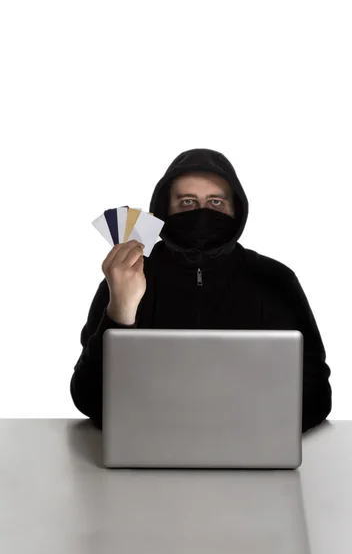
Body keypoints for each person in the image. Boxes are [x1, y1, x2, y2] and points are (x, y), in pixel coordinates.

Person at [70, 148, 332, 433]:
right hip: (148, 449)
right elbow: (88, 399)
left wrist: (246, 428)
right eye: (186, 202)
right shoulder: (127, 277)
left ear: (236, 210)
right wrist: (121, 308)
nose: (202, 212)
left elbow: (317, 394)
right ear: (164, 211)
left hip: (250, 449)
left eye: (216, 202)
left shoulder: (275, 279)